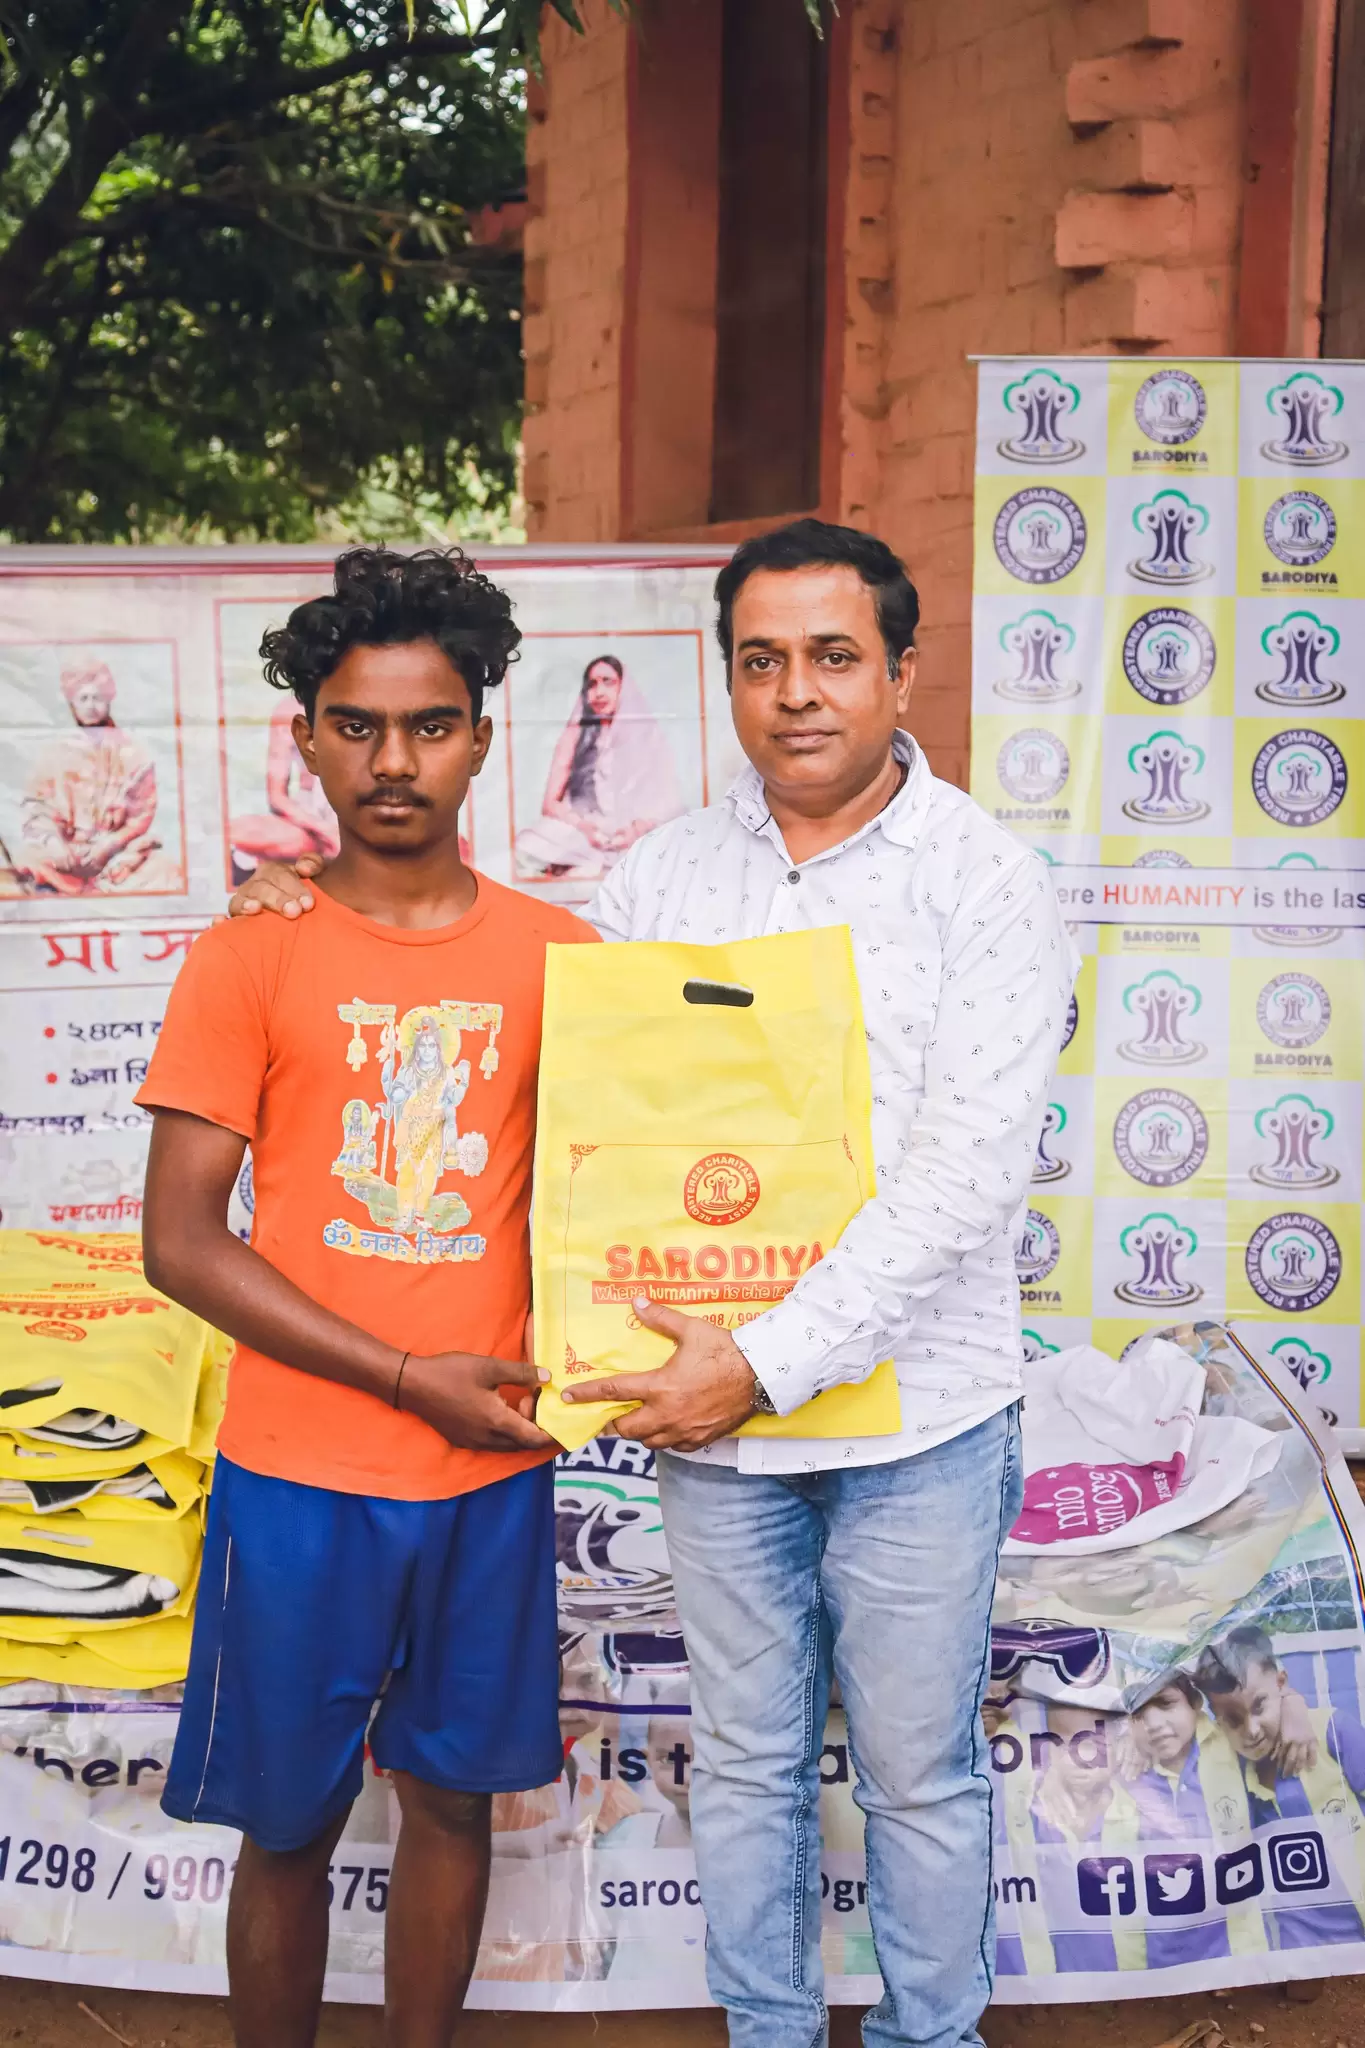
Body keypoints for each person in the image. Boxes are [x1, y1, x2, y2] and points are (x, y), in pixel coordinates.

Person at [234, 517, 1077, 2048]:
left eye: (834, 656)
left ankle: (928, 2036)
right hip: (714, 1433)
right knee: (746, 1762)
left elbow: (962, 1186)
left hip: (917, 1423)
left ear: (901, 673)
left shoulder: (987, 886)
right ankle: (767, 2032)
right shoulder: (663, 879)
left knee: (919, 1772)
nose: (797, 692)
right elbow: (563, 1095)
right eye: (762, 660)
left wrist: (753, 1362)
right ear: (729, 679)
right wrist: (312, 905)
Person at [137, 545, 598, 2048]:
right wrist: (406, 1376)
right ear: (309, 739)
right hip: (299, 1476)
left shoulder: (568, 960)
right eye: (357, 725)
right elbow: (180, 1242)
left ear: (482, 737)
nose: (393, 760)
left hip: (489, 1472)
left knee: (453, 1803)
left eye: (430, 724)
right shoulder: (249, 952)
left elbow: (617, 1207)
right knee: (288, 1823)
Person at [1196, 1624, 1365, 1950]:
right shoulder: (1228, 1771)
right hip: (1297, 1952)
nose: (1252, 1730)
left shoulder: (1332, 1731)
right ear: (1216, 1719)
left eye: (1259, 1706)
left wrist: (1294, 1704)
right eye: (1233, 1720)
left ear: (1282, 1683)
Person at [514, 652, 683, 881]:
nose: (599, 692)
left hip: (634, 835)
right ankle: (596, 863)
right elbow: (550, 804)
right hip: (587, 834)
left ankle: (595, 864)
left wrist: (635, 830)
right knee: (529, 842)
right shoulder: (575, 736)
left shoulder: (649, 737)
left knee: (669, 841)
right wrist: (586, 828)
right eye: (592, 684)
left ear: (623, 687)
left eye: (608, 682)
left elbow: (669, 804)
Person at [15, 658, 162, 894]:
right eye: (83, 698)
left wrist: (109, 844)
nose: (91, 706)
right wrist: (56, 844)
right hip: (65, 856)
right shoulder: (54, 752)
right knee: (26, 860)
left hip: (115, 854)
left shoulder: (133, 753)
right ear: (72, 703)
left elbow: (141, 814)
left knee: (163, 871)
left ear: (109, 699)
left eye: (98, 698)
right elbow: (37, 806)